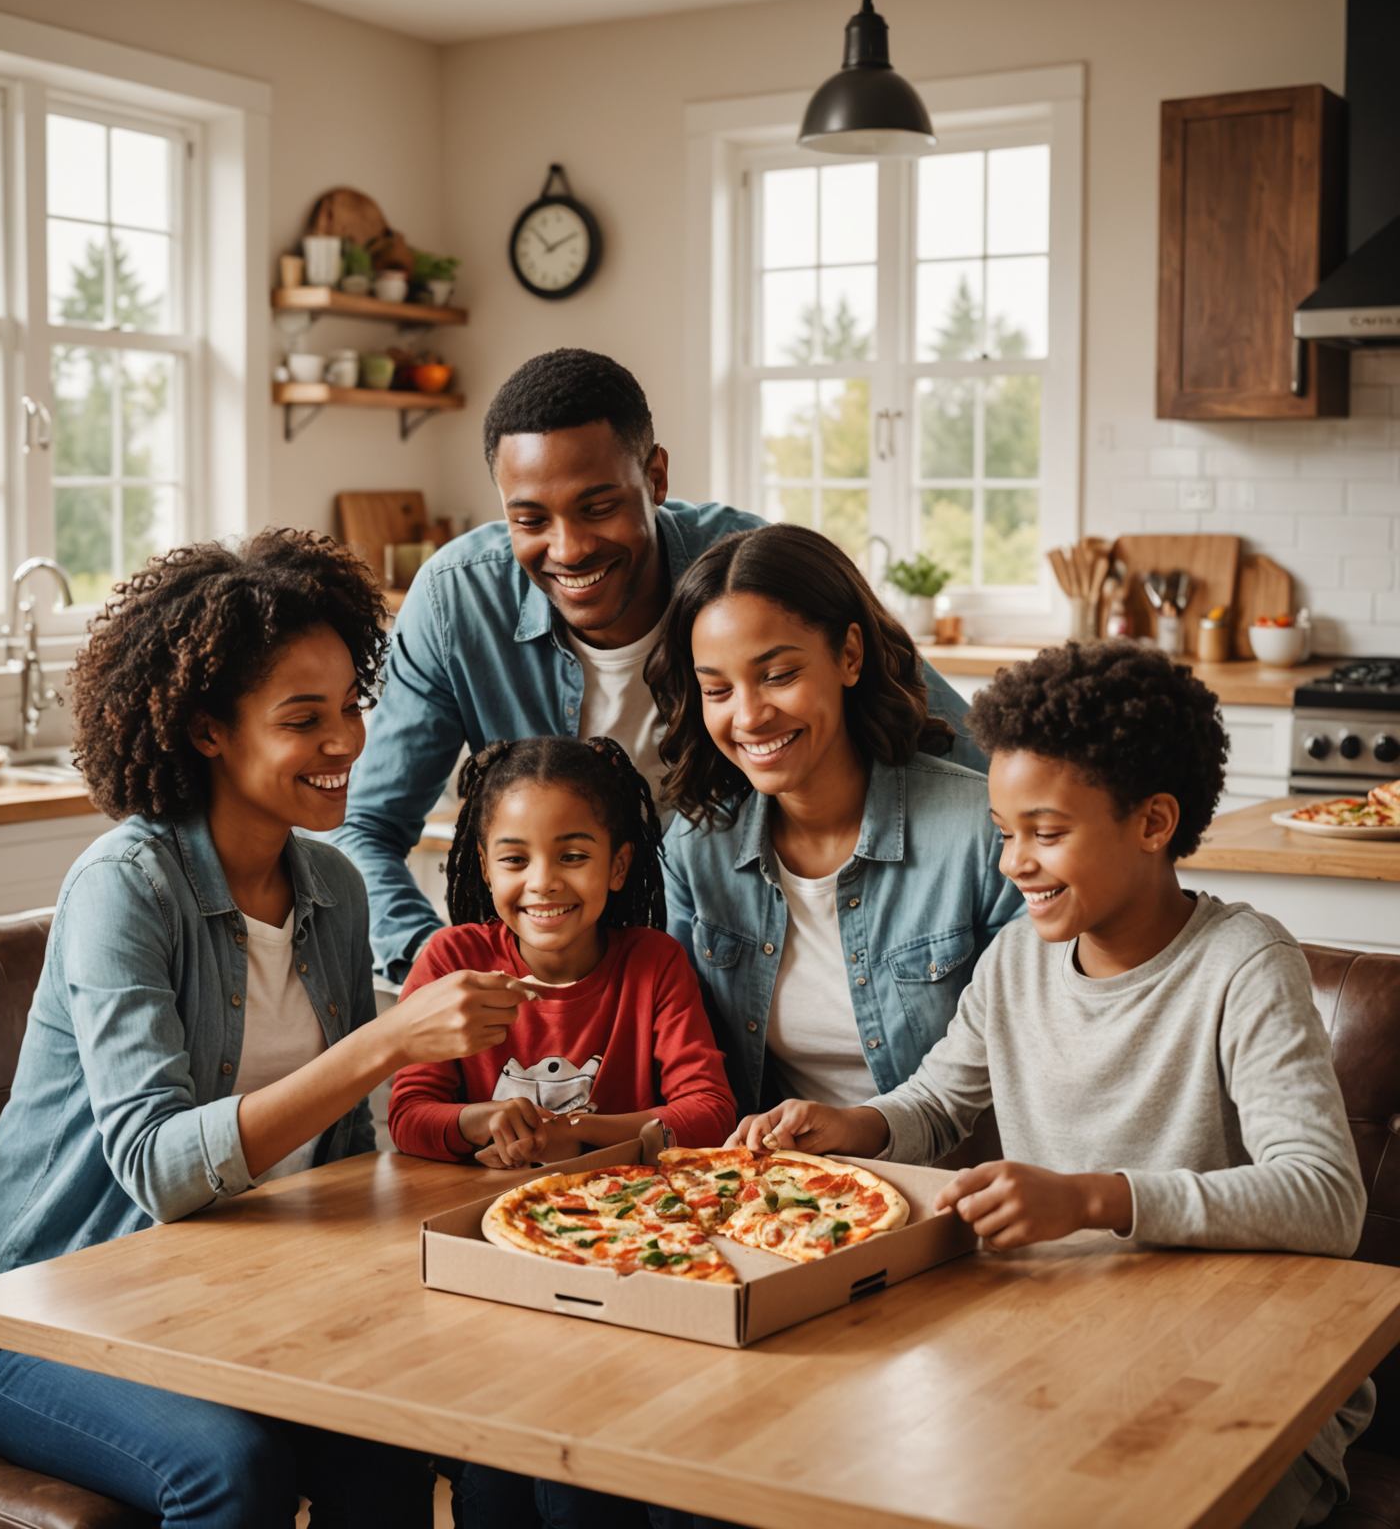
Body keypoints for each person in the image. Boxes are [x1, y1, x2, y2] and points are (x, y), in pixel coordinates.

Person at [0, 529, 540, 1529]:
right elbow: (159, 1166)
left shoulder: (335, 890)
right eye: (304, 719)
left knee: (403, 1420)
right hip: (41, 1310)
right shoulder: (126, 888)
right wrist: (386, 1044)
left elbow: (342, 1157)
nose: (346, 741)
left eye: (351, 705)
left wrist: (464, 1135)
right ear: (209, 728)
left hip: (225, 1292)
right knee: (230, 1467)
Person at [731, 640, 1371, 1529]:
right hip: (1066, 1346)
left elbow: (1324, 1198)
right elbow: (936, 1104)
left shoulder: (1243, 965)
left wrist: (1092, 1199)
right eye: (1004, 833)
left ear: (1153, 823)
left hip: (1246, 1374)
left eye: (1047, 833)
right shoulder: (1014, 961)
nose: (1012, 865)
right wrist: (854, 1127)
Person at [338, 347, 984, 985]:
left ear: (656, 477)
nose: (569, 549)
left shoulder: (743, 574)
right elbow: (367, 825)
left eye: (598, 508)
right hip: (542, 977)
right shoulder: (456, 601)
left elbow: (958, 750)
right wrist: (435, 969)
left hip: (726, 967)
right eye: (530, 519)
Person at [650, 523, 1024, 1119]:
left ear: (849, 655)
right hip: (777, 1197)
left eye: (778, 676)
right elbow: (672, 1057)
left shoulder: (982, 834)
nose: (748, 717)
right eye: (717, 689)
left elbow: (1038, 1055)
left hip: (963, 1191)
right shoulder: (698, 850)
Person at [389, 735, 735, 1167]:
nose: (543, 882)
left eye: (572, 856)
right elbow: (408, 1115)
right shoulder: (450, 962)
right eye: (515, 860)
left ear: (617, 866)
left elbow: (710, 1112)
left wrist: (573, 1132)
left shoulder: (656, 964)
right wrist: (483, 1121)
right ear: (484, 867)